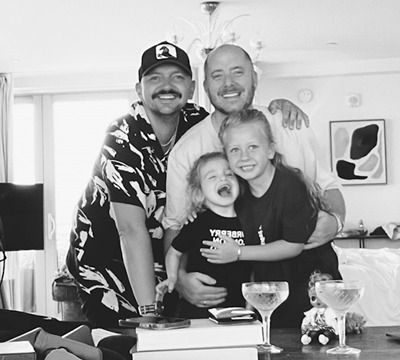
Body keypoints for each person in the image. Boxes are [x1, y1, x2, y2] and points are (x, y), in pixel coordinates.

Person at [65, 41, 304, 327]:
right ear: (139, 89)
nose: (166, 85)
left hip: (159, 259)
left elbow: (238, 123)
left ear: (192, 89)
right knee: (124, 350)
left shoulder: (196, 122)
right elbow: (129, 231)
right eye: (155, 78)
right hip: (106, 260)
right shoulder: (121, 137)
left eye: (176, 77)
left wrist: (279, 108)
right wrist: (150, 312)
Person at [163, 44, 346, 311]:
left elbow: (328, 186)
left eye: (238, 72)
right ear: (204, 86)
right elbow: (176, 224)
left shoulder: (288, 124)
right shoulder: (187, 150)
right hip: (237, 281)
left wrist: (336, 222)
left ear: (255, 78)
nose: (228, 84)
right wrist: (179, 280)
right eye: (217, 75)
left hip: (308, 269)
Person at [201, 109, 342, 328]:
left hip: (311, 281)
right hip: (274, 284)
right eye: (235, 150)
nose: (244, 157)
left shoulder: (290, 184)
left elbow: (293, 246)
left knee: (315, 340)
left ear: (270, 150)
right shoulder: (239, 190)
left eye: (253, 147)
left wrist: (237, 253)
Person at [157, 152, 249, 318]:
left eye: (229, 174)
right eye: (212, 177)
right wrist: (172, 278)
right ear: (199, 193)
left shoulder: (249, 221)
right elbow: (174, 252)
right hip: (199, 309)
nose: (223, 179)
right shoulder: (198, 222)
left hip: (238, 309)